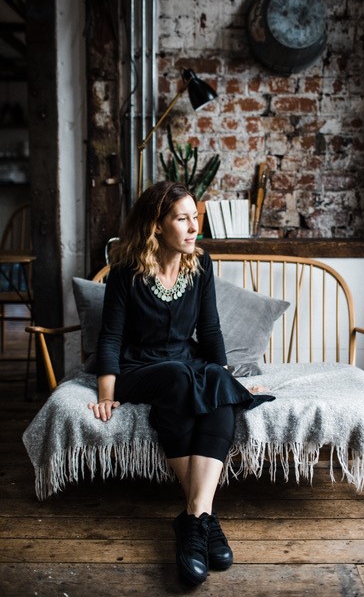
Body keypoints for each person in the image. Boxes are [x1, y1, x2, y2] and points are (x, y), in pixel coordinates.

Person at [88, 181, 274, 585]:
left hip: (183, 367)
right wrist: (106, 394)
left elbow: (210, 333)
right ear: (157, 225)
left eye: (196, 218)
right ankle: (205, 518)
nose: (194, 228)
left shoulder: (201, 265)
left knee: (212, 382)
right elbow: (111, 339)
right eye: (183, 219)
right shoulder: (126, 271)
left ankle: (194, 521)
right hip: (138, 369)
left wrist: (223, 377)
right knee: (181, 375)